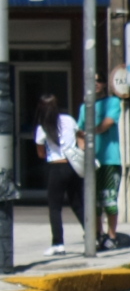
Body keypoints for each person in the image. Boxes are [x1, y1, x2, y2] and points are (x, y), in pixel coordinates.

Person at [76, 77, 124, 247]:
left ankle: (112, 236)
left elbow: (107, 123)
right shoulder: (85, 107)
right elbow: (79, 131)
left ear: (104, 84)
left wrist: (90, 132)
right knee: (93, 201)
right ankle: (98, 234)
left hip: (110, 160)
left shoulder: (113, 102)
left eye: (99, 81)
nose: (95, 83)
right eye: (92, 80)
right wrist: (82, 148)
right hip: (92, 162)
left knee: (109, 200)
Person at [33, 94, 81, 255]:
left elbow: (40, 153)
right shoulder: (69, 120)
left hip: (56, 166)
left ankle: (58, 244)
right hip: (72, 166)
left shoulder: (42, 127)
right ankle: (94, 236)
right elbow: (80, 136)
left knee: (55, 207)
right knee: (77, 204)